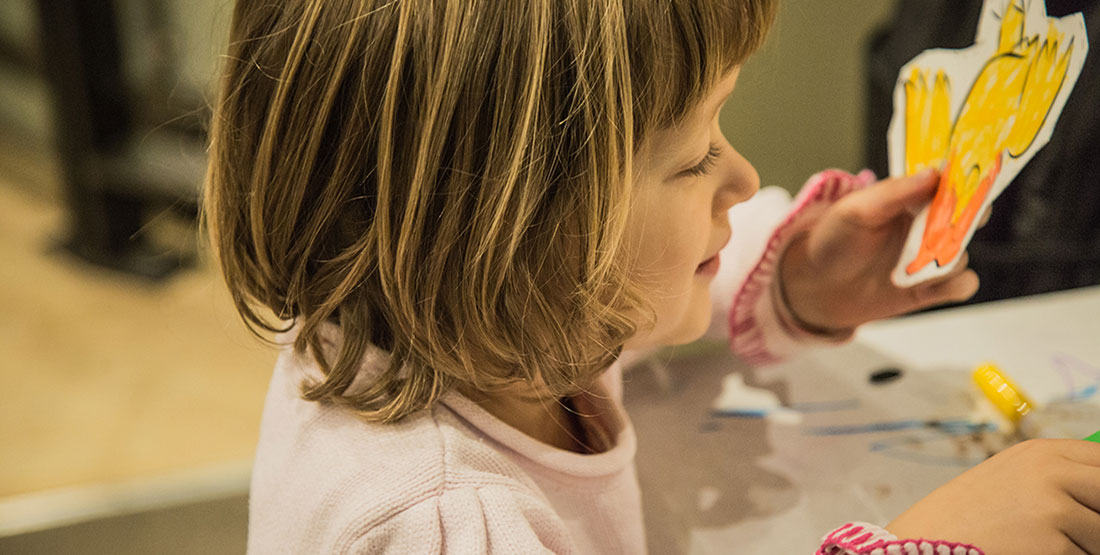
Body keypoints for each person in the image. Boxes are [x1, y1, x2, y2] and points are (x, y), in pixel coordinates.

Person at [202, 0, 1100, 553]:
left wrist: (794, 282)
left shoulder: (456, 302)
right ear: (526, 232)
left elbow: (639, 291)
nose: (743, 179)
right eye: (695, 156)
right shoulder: (451, 524)